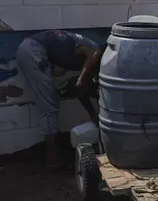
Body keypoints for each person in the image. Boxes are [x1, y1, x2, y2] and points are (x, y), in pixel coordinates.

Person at [15, 30, 102, 169]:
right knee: (49, 105)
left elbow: (81, 91)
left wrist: (92, 116)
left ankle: (54, 152)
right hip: (33, 51)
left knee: (51, 101)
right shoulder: (95, 53)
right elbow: (81, 83)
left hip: (32, 49)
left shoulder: (76, 57)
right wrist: (82, 80)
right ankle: (52, 159)